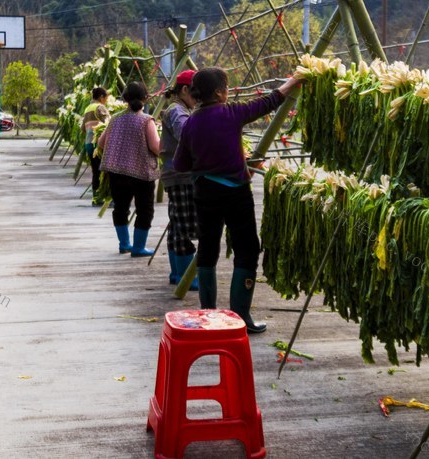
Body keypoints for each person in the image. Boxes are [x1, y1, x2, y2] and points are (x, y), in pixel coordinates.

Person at [173, 67, 303, 333]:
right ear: (221, 92)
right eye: (227, 87)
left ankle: (208, 314)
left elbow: (180, 164)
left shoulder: (191, 123)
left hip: (204, 194)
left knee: (208, 248)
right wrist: (295, 80)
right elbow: (270, 101)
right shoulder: (232, 113)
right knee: (246, 248)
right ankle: (241, 316)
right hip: (235, 193)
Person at [97, 82, 160, 256]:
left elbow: (101, 143)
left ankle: (124, 244)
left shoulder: (115, 118)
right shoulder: (146, 120)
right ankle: (139, 248)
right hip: (142, 173)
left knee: (121, 208)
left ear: (124, 99)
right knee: (144, 209)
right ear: (146, 98)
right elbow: (155, 146)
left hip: (117, 172)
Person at [159, 69, 199, 291]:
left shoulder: (179, 107)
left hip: (174, 174)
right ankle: (186, 277)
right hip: (182, 175)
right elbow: (188, 134)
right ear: (185, 90)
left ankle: (177, 273)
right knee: (184, 226)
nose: (199, 100)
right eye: (197, 94)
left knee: (176, 225)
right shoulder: (178, 111)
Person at [81, 87, 110, 206]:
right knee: (105, 171)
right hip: (98, 144)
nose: (107, 100)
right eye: (106, 97)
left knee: (95, 171)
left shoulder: (88, 108)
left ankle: (96, 197)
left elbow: (82, 128)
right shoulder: (100, 107)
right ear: (101, 97)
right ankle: (104, 197)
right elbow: (109, 123)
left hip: (88, 144)